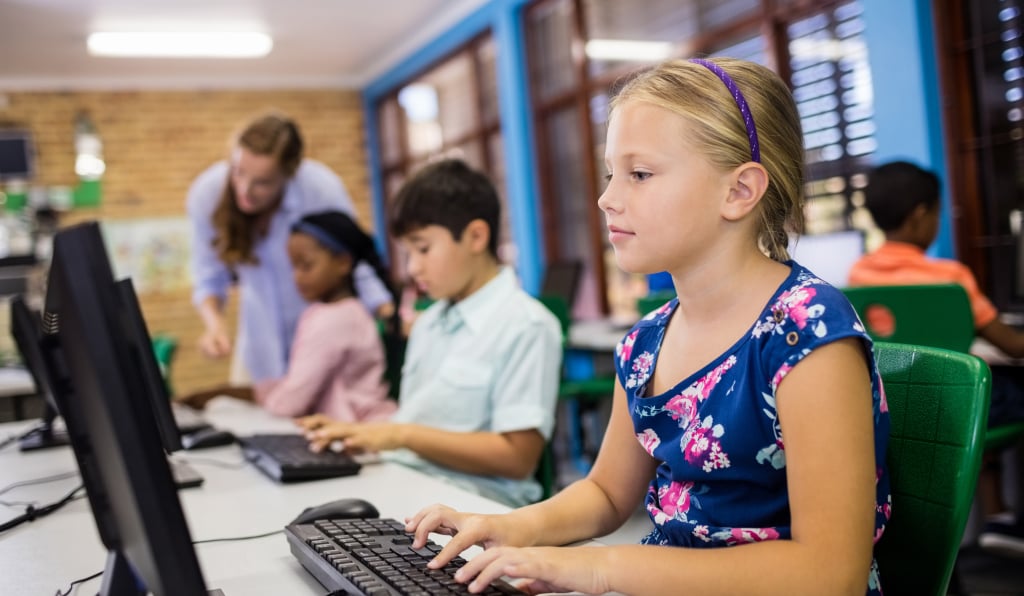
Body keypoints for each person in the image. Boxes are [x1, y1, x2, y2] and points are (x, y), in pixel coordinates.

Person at [403, 58, 891, 595]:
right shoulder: (646, 342)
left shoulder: (805, 332)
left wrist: (597, 569)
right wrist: (502, 528)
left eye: (639, 174)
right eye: (612, 173)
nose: (607, 198)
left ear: (739, 191)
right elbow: (608, 495)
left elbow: (830, 574)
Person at [296, 159, 563, 507]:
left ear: (476, 237)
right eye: (407, 252)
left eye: (423, 249)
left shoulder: (526, 325)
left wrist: (401, 435)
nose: (412, 267)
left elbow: (517, 459)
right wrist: (363, 433)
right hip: (408, 483)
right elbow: (417, 424)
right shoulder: (429, 323)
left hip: (476, 506)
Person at [849, 160, 1024, 555]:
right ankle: (1006, 518)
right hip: (959, 406)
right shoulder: (950, 278)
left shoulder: (859, 274)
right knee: (1006, 388)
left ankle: (995, 515)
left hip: (899, 406)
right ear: (920, 215)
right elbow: (1012, 346)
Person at [187, 111, 392, 384]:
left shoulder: (320, 189)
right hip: (258, 348)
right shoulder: (207, 194)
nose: (245, 190)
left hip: (323, 344)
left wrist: (390, 313)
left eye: (263, 182)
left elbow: (355, 260)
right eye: (239, 172)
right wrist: (215, 326)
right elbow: (209, 276)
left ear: (290, 173)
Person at [178, 211, 399, 422]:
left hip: (359, 434)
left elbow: (291, 402)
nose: (298, 277)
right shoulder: (346, 311)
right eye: (293, 267)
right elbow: (294, 387)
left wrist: (238, 395)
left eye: (306, 265)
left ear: (343, 263)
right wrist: (227, 392)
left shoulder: (335, 320)